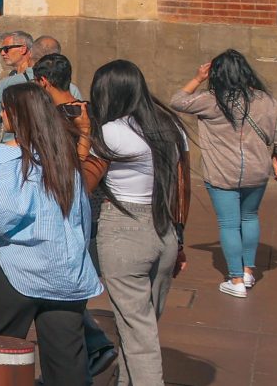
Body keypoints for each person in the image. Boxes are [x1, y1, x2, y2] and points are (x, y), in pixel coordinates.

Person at [0, 84, 103, 386]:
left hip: (20, 269)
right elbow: (81, 213)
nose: (1, 114)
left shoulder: (10, 153)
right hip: (67, 276)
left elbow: (2, 216)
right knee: (66, 364)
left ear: (17, 115)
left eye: (5, 109)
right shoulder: (65, 154)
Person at [88, 60, 187, 386]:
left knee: (138, 334)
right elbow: (181, 190)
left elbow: (84, 182)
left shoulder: (110, 132)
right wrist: (179, 239)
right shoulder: (172, 128)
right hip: (164, 230)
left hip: (124, 230)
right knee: (142, 327)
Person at [168, 49, 277, 294]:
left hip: (221, 173)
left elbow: (176, 100)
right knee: (250, 217)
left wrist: (198, 78)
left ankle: (234, 280)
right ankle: (247, 273)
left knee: (229, 224)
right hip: (257, 172)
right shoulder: (266, 101)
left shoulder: (211, 100)